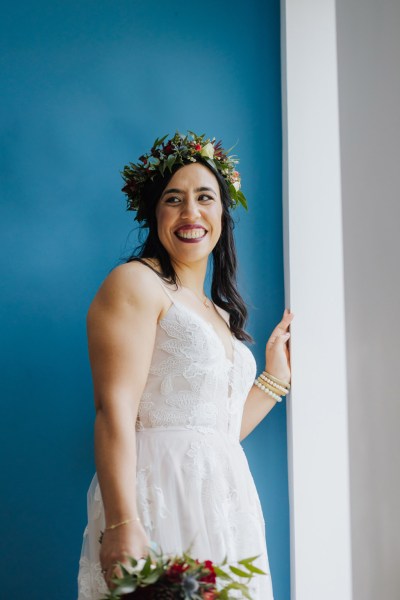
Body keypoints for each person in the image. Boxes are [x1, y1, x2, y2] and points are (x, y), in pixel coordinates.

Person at [77, 131, 294, 600]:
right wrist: (122, 522)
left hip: (222, 500)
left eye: (205, 198)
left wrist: (275, 377)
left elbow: (216, 431)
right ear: (155, 214)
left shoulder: (218, 313)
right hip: (155, 494)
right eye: (174, 199)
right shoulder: (136, 283)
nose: (190, 213)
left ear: (222, 214)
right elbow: (113, 410)